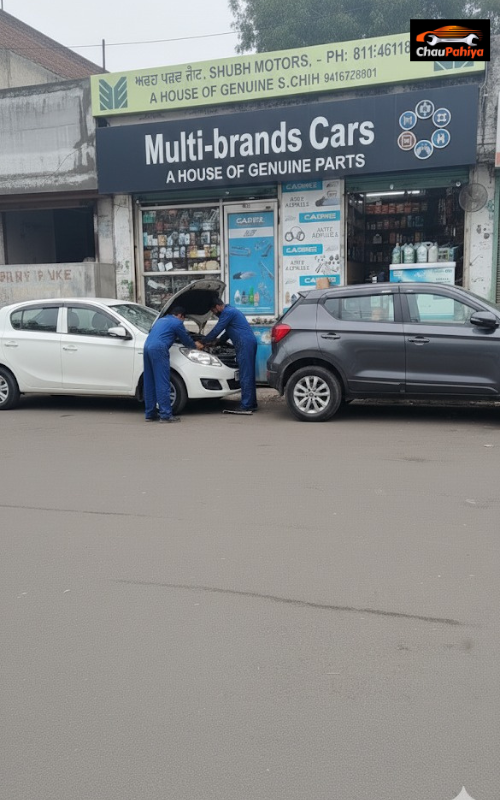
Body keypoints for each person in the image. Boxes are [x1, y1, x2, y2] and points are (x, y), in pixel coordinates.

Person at [143, 306, 202, 423]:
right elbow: (185, 340)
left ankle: (150, 413)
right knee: (163, 382)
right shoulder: (177, 323)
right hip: (159, 348)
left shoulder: (161, 320)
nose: (183, 322)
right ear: (181, 316)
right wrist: (196, 346)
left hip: (147, 346)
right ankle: (165, 415)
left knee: (149, 381)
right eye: (183, 319)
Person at [202, 298, 258, 413]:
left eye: (213, 311)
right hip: (247, 342)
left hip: (244, 344)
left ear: (217, 307)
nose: (214, 313)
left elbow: (218, 329)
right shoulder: (232, 311)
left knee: (245, 375)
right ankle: (251, 403)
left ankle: (246, 405)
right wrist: (218, 342)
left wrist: (203, 342)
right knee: (249, 374)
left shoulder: (227, 312)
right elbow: (228, 332)